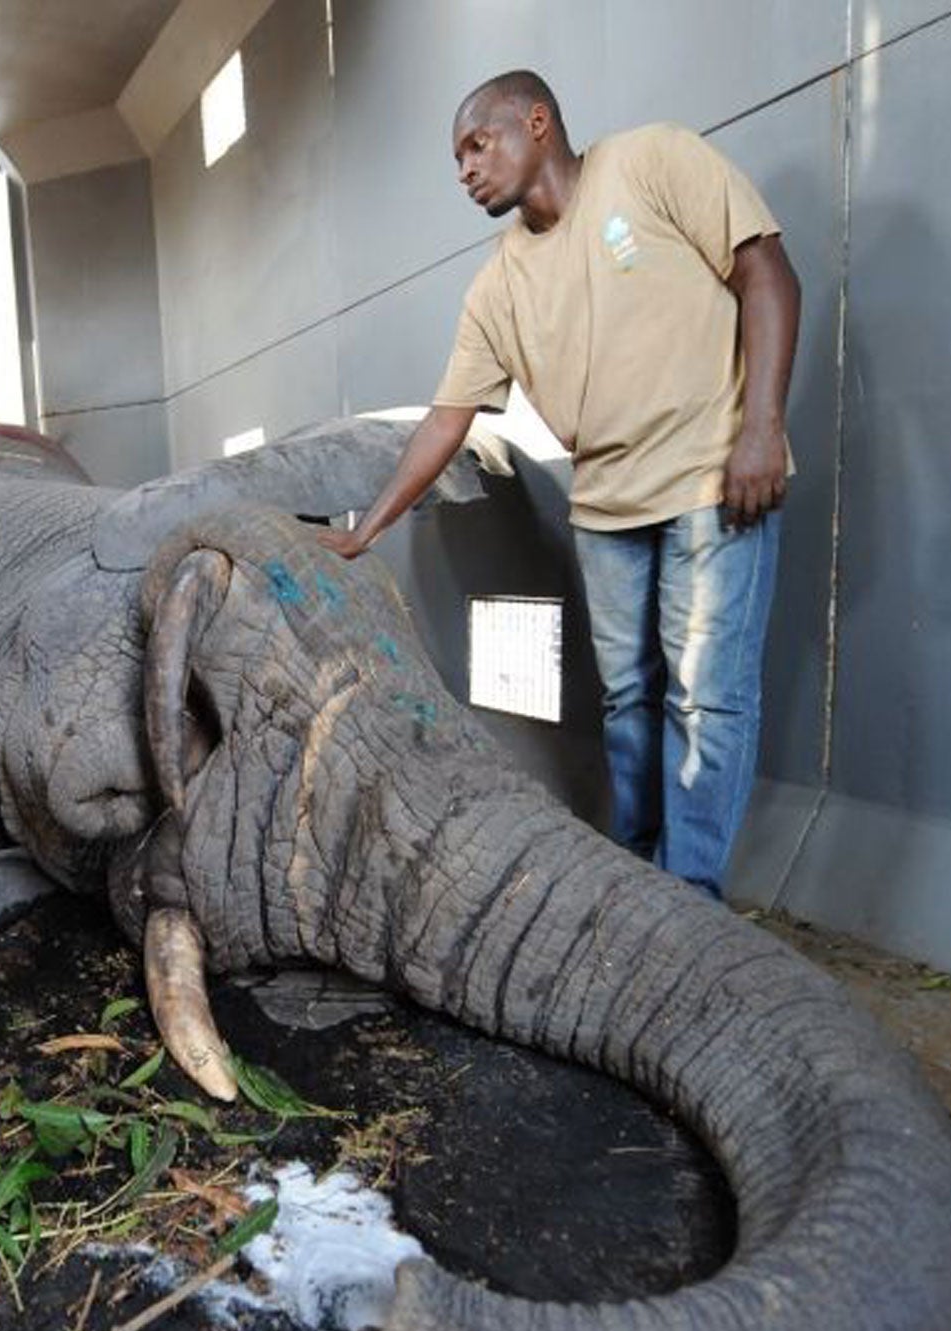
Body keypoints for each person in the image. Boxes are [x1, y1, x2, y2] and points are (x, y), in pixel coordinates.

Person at [322, 71, 799, 899]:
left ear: (536, 122)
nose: (465, 169)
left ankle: (691, 901)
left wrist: (762, 429)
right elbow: (446, 420)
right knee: (628, 703)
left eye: (478, 144)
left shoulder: (652, 161)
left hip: (711, 483)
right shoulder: (497, 286)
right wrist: (369, 529)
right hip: (607, 509)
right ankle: (641, 877)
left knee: (706, 702)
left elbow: (767, 274)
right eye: (456, 158)